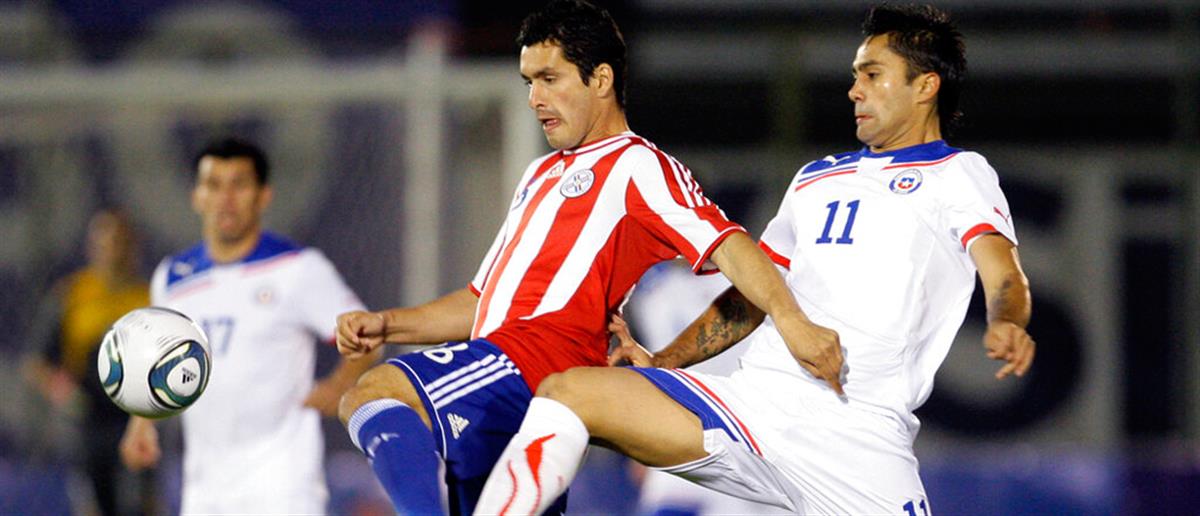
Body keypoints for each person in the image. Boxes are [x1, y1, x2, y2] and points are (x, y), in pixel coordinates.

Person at [474, 4, 1037, 515]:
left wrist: (1007, 321)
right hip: (751, 406)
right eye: (854, 75)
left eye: (872, 74)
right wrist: (665, 362)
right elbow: (751, 298)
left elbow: (1003, 273)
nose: (854, 90)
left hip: (856, 435)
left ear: (926, 86)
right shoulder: (815, 178)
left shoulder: (958, 174)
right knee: (568, 392)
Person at [332, 1, 843, 514]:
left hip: (532, 362)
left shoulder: (638, 164)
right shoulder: (539, 175)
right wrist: (388, 323)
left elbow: (730, 244)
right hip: (500, 374)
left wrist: (792, 321)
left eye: (550, 79)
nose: (535, 98)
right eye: (529, 82)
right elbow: (480, 301)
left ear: (601, 79)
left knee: (374, 394)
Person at [117, 137, 380, 514]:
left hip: (283, 486)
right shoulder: (172, 278)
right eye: (214, 185)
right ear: (196, 197)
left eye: (239, 185)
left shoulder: (297, 268)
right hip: (205, 491)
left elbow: (367, 335)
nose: (225, 199)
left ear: (263, 196)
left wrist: (339, 385)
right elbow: (154, 360)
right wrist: (141, 423)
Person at [23, 208, 156, 516]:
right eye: (104, 244)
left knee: (142, 504)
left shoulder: (149, 297)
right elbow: (37, 361)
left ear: (133, 246)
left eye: (120, 243)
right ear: (91, 247)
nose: (113, 252)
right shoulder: (72, 295)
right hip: (88, 424)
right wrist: (62, 390)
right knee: (93, 506)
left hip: (135, 418)